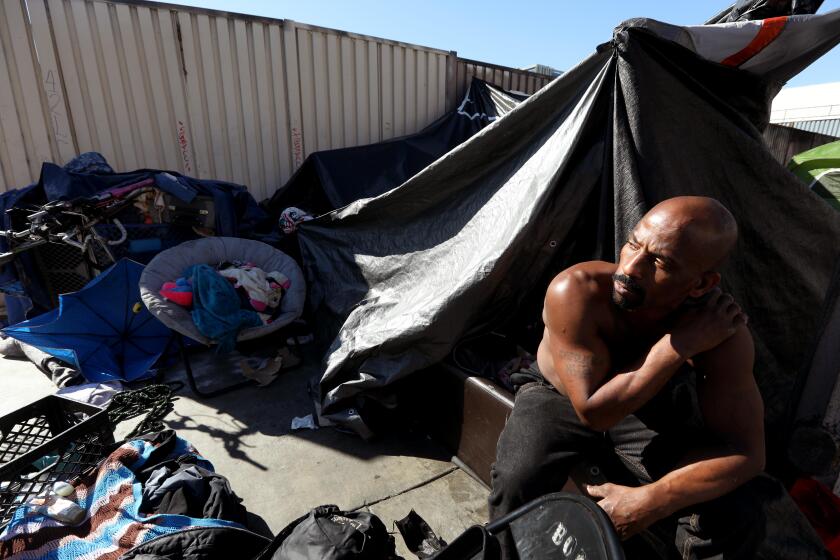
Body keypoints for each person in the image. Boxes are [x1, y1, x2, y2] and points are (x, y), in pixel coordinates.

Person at [488, 196, 823, 559]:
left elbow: (746, 453)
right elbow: (594, 411)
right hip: (562, 395)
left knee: (738, 507)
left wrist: (651, 500)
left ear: (700, 284)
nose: (630, 268)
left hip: (648, 407)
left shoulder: (722, 332)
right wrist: (679, 345)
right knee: (517, 480)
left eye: (659, 261)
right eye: (633, 243)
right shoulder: (577, 289)